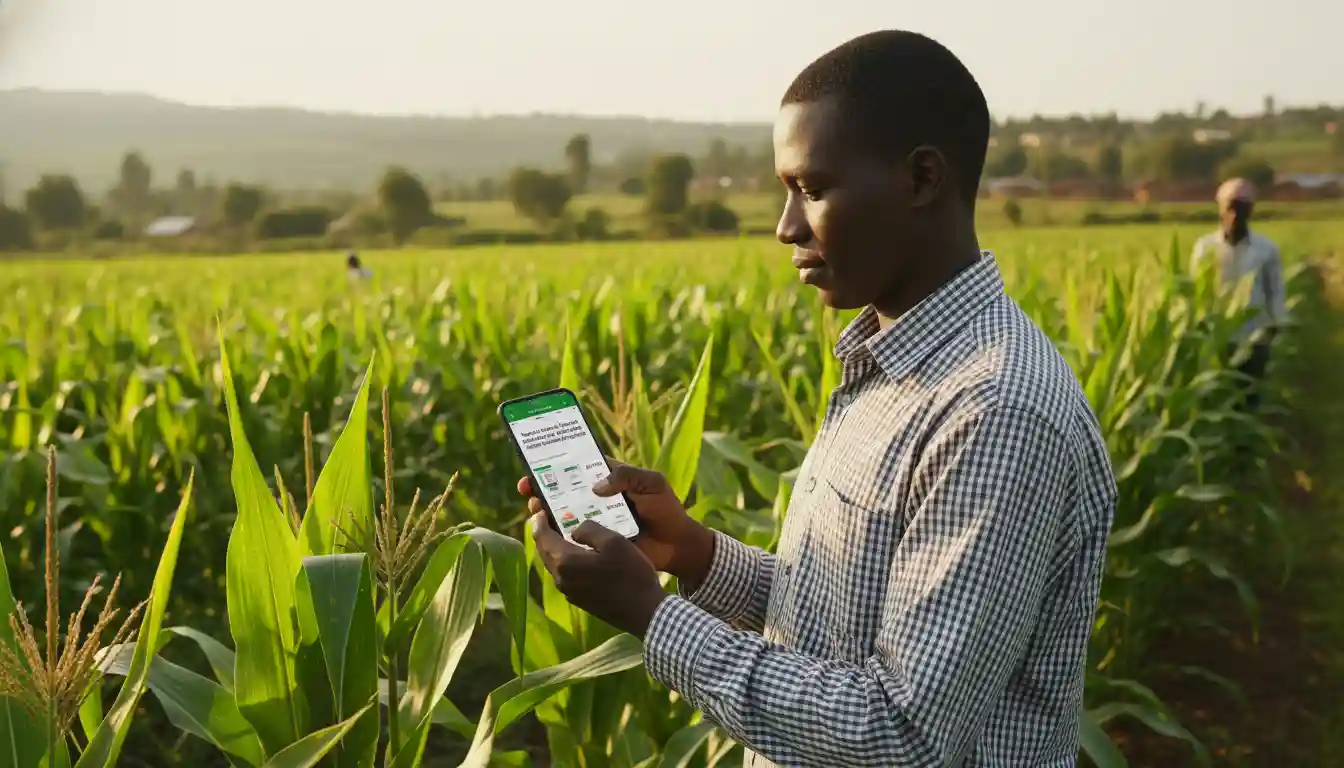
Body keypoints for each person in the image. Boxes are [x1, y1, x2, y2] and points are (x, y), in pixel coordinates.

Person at [520, 30, 1117, 767]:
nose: (785, 227)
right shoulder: (889, 367)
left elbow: (902, 733)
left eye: (812, 189)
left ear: (922, 179)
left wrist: (650, 615)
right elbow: (842, 619)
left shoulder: (994, 412)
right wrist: (690, 553)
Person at [1191, 178, 1287, 412]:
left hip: (1254, 336)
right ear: (1220, 209)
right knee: (1218, 398)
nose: (1235, 215)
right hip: (1216, 337)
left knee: (1250, 395)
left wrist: (1275, 324)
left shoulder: (1266, 249)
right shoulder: (1205, 248)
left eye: (1241, 209)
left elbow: (1275, 290)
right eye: (1230, 208)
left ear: (1250, 211)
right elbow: (1196, 291)